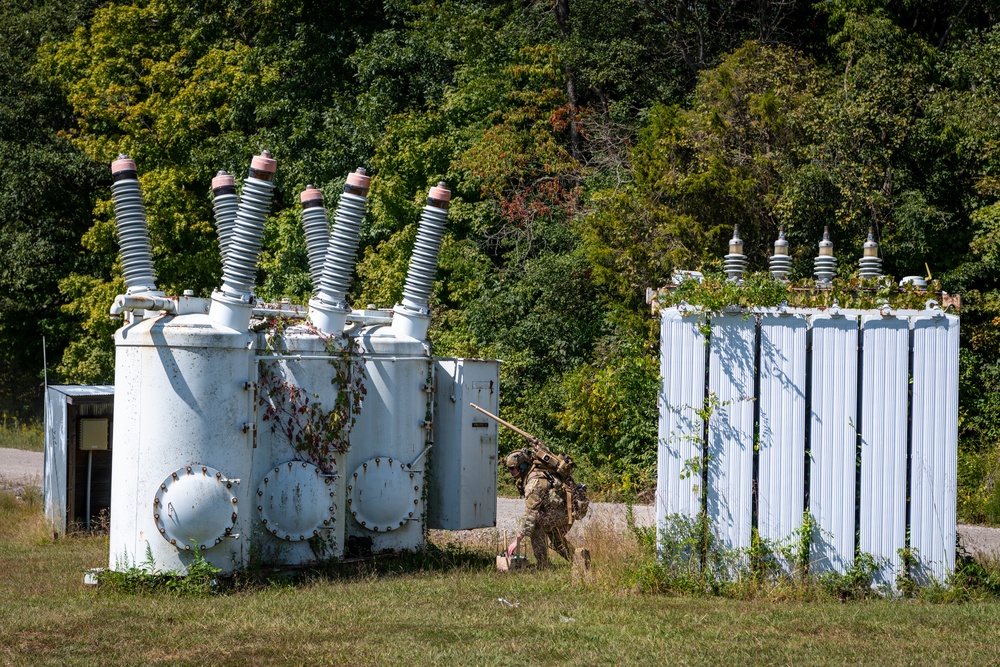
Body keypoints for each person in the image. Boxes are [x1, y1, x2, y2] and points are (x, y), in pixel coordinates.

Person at [504, 448, 574, 566]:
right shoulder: (535, 473)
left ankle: (543, 564)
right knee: (556, 540)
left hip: (562, 512)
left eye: (512, 468)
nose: (510, 471)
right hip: (558, 511)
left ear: (522, 467)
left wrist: (516, 541)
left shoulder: (534, 484)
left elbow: (530, 516)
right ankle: (578, 559)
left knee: (536, 525)